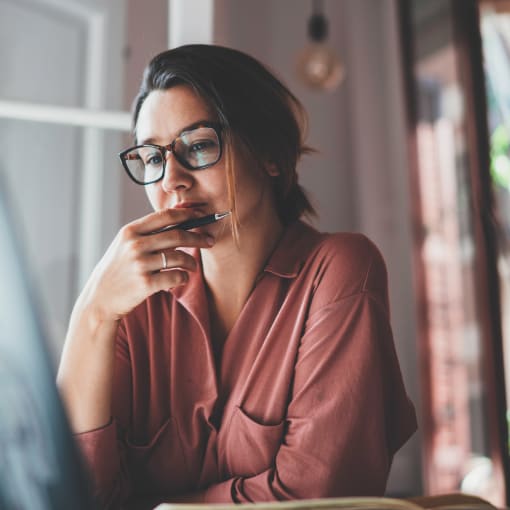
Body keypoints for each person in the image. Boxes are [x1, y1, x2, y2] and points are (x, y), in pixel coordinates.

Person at [57, 44, 417, 509]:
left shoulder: (339, 270)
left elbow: (315, 496)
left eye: (199, 146)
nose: (171, 181)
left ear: (270, 153)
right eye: (151, 158)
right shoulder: (132, 303)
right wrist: (92, 313)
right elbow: (74, 493)